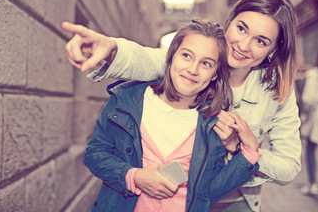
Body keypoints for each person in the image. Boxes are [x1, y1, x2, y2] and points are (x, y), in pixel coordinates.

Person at [62, 0, 302, 212]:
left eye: (261, 41)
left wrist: (238, 147)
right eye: (241, 29)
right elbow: (146, 59)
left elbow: (288, 167)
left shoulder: (277, 90)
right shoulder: (191, 65)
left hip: (234, 201)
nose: (243, 45)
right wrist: (111, 47)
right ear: (230, 22)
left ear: (272, 50)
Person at [82, 20, 261, 212]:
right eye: (186, 56)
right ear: (171, 57)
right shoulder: (126, 100)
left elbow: (206, 194)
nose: (193, 69)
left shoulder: (213, 123)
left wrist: (248, 154)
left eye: (206, 63)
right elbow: (94, 154)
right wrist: (134, 177)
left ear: (215, 74)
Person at [299, 53, 318, 196]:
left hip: (315, 119)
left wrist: (303, 112)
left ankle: (312, 183)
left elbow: (307, 98)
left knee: (310, 150)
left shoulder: (312, 74)